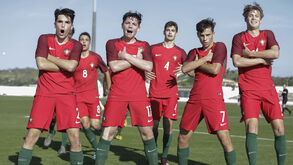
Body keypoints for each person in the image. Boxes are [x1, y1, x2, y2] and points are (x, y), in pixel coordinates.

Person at [18, 8, 84, 165]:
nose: (63, 25)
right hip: (44, 94)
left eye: (67, 22)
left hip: (67, 95)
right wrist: (64, 64)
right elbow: (41, 64)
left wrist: (50, 57)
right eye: (60, 21)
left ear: (71, 26)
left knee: (75, 138)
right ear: (55, 24)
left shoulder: (76, 45)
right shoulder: (44, 39)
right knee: (32, 136)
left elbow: (72, 67)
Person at [95, 11, 158, 165]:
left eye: (134, 24)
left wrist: (127, 57)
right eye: (128, 23)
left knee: (147, 134)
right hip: (118, 94)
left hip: (139, 95)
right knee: (107, 134)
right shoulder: (112, 43)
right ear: (122, 25)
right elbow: (114, 66)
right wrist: (137, 59)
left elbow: (149, 66)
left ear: (138, 28)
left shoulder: (144, 45)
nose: (130, 26)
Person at [231, 3, 286, 165]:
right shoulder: (239, 37)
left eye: (256, 15)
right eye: (250, 15)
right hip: (248, 89)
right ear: (245, 19)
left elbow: (275, 53)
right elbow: (237, 61)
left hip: (267, 88)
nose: (253, 17)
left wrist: (251, 54)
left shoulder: (268, 34)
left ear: (261, 20)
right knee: (251, 128)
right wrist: (261, 59)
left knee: (280, 129)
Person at [177, 18, 236, 165]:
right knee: (182, 137)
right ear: (198, 35)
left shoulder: (220, 47)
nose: (205, 39)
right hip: (195, 98)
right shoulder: (193, 51)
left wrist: (196, 64)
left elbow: (215, 70)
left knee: (224, 139)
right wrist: (205, 60)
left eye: (208, 35)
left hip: (213, 99)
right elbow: (184, 69)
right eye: (202, 35)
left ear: (213, 34)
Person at [147, 21, 187, 165]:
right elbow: (143, 63)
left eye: (173, 30)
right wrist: (145, 73)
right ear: (164, 32)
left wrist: (183, 74)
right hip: (154, 93)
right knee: (154, 126)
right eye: (168, 30)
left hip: (171, 94)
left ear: (176, 33)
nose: (170, 32)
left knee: (168, 126)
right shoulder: (153, 49)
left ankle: (163, 157)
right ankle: (153, 154)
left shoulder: (181, 52)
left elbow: (190, 68)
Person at [74, 31, 111, 154]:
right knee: (85, 124)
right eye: (81, 39)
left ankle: (106, 138)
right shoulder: (74, 57)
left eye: (86, 39)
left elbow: (106, 70)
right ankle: (98, 149)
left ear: (89, 43)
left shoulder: (95, 57)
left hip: (92, 96)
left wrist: (108, 87)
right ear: (78, 42)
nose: (83, 41)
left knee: (95, 125)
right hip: (78, 96)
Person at [43, 28, 76, 155]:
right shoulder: (55, 46)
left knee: (67, 121)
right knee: (53, 117)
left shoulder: (75, 48)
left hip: (73, 90)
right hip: (57, 88)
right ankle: (51, 132)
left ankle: (63, 146)